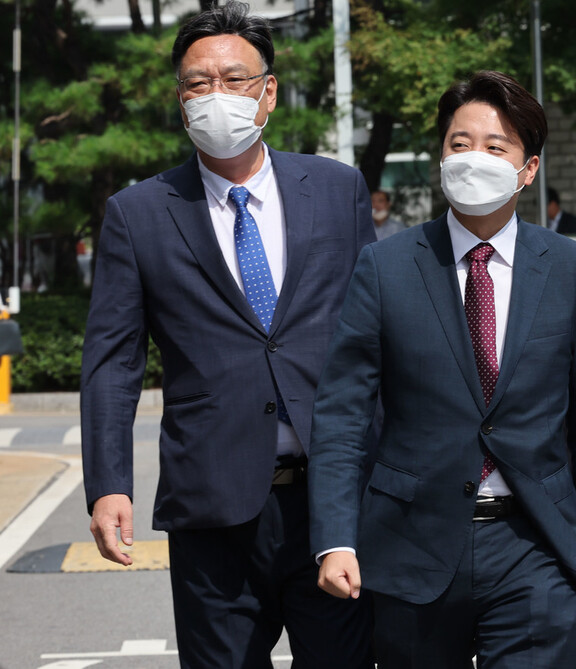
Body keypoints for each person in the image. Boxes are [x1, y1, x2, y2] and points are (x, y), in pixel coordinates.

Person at [80, 3, 375, 667]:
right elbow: (112, 361)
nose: (217, 96)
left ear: (268, 91)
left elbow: (375, 340)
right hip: (212, 510)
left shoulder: (335, 190)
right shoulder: (139, 213)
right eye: (197, 84)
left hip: (334, 503)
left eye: (234, 79)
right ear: (180, 102)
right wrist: (107, 484)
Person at [308, 70, 576, 668]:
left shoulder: (571, 269)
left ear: (528, 169)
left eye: (494, 146)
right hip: (412, 540)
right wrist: (334, 537)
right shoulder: (386, 265)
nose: (472, 158)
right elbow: (342, 415)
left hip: (534, 542)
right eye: (459, 143)